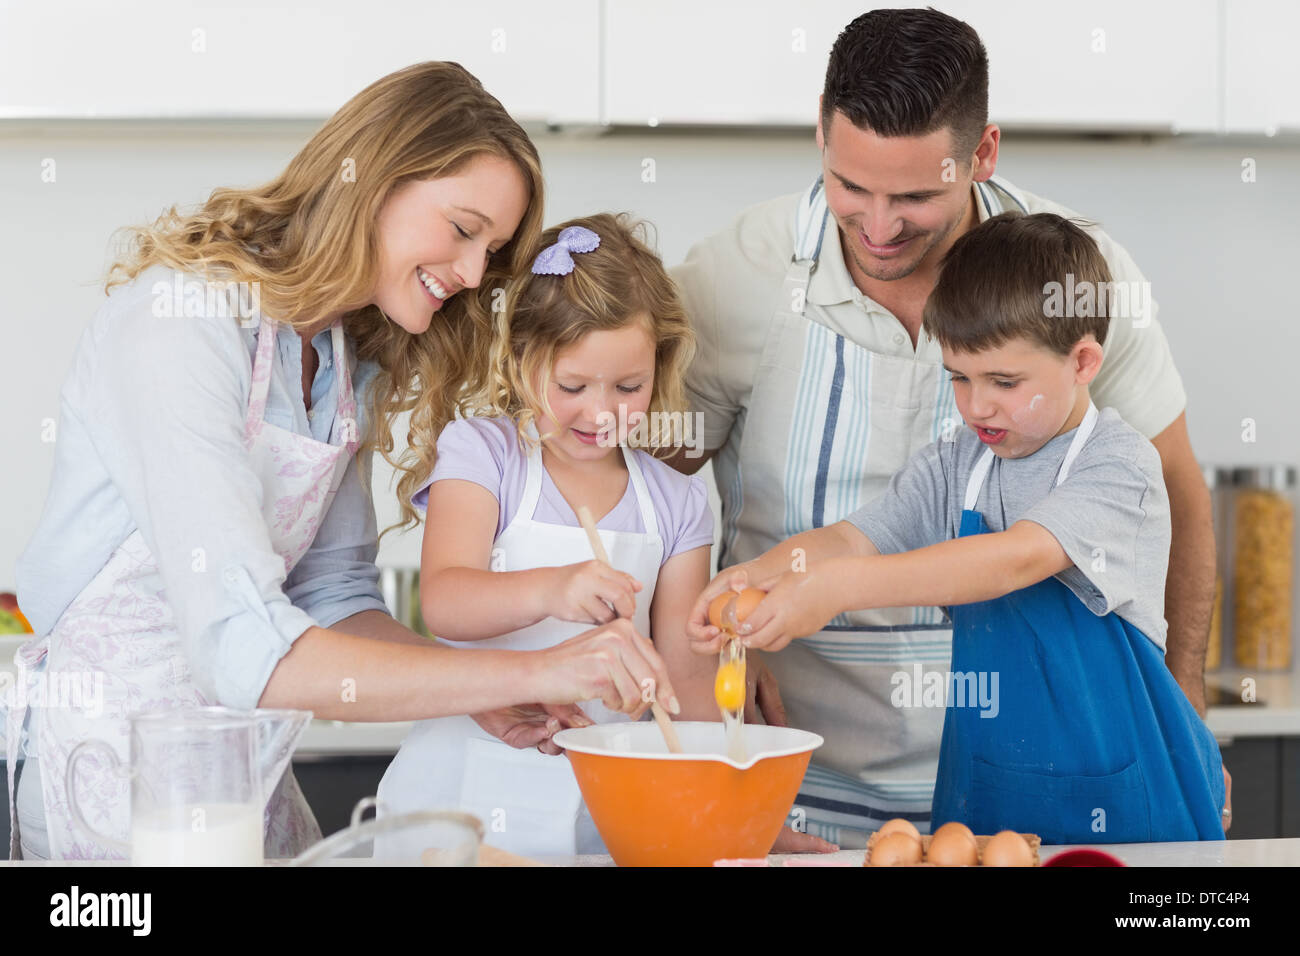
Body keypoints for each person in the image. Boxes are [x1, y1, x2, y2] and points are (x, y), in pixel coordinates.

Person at [4, 63, 678, 862]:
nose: (469, 273)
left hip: (240, 776)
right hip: (111, 775)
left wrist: (493, 698)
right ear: (376, 179)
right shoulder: (177, 325)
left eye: (489, 250)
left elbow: (331, 596)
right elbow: (238, 645)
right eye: (463, 229)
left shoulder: (339, 362)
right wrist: (517, 675)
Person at [667, 7, 1225, 846]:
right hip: (820, 773)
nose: (881, 228)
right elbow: (810, 529)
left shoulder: (1083, 310)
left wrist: (1186, 720)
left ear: (983, 154)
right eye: (852, 188)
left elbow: (1031, 552)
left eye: (917, 196)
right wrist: (734, 602)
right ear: (820, 132)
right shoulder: (736, 278)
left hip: (1083, 782)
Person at [376, 214, 723, 857]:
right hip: (460, 792)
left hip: (601, 807)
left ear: (660, 367)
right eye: (571, 386)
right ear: (519, 360)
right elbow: (446, 599)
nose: (600, 413)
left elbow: (687, 686)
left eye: (629, 386)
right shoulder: (484, 455)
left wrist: (730, 815)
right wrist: (554, 589)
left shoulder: (678, 504)